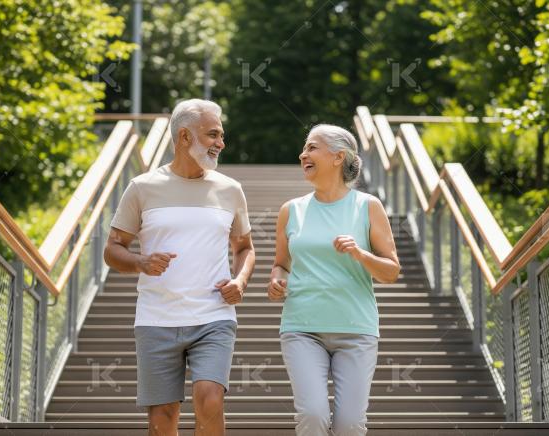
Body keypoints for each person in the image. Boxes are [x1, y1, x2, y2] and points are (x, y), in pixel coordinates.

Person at [104, 99, 255, 436]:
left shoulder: (230, 190)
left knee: (210, 399)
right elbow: (113, 250)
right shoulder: (142, 187)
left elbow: (244, 248)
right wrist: (141, 262)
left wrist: (241, 280)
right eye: (213, 134)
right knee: (162, 419)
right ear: (185, 136)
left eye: (222, 135)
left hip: (213, 316)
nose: (221, 143)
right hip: (157, 318)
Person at [267, 124, 400, 436]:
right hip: (302, 328)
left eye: (312, 147)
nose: (303, 154)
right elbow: (280, 264)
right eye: (304, 148)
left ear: (339, 156)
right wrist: (277, 281)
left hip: (356, 330)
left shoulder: (367, 206)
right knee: (312, 416)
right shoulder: (291, 210)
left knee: (350, 425)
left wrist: (360, 254)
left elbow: (391, 271)